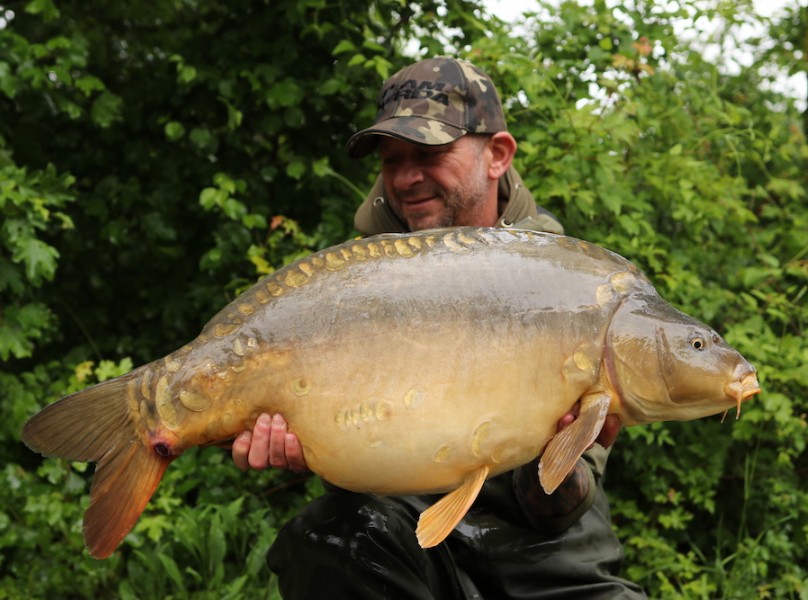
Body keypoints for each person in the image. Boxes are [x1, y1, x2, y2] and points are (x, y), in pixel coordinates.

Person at [231, 56, 647, 598]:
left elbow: (556, 514)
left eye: (429, 154)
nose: (406, 178)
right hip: (406, 544)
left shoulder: (566, 285)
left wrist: (559, 455)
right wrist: (294, 440)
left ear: (497, 155)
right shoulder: (353, 286)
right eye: (391, 159)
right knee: (328, 536)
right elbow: (354, 445)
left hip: (548, 564)